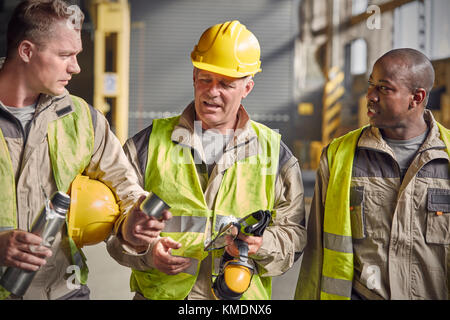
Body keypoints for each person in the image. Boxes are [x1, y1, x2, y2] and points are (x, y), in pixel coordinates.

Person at [107, 20, 307, 300]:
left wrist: (260, 244)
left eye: (225, 84)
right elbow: (112, 224)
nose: (212, 92)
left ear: (247, 87)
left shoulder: (276, 154)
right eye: (205, 79)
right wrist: (147, 251)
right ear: (193, 76)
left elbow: (294, 237)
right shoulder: (147, 145)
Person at [0, 0, 168, 300]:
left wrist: (133, 226)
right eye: (65, 55)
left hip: (65, 291)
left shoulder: (80, 118)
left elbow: (126, 191)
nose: (76, 67)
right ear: (26, 51)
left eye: (76, 54)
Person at [295, 48, 450, 300]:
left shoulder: (447, 158)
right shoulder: (339, 156)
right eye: (370, 85)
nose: (370, 95)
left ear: (417, 97)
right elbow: (316, 256)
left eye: (384, 88)